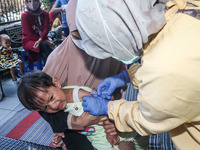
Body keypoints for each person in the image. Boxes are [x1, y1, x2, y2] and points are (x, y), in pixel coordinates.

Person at [77, 0, 200, 150]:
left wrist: (109, 107)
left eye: (110, 49)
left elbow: (149, 117)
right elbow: (162, 54)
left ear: (119, 37)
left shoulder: (164, 70)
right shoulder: (178, 12)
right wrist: (126, 76)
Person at [39, 0, 127, 149]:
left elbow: (119, 89)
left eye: (92, 33)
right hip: (74, 121)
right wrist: (73, 123)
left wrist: (111, 118)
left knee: (126, 141)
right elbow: (40, 103)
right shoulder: (58, 58)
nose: (88, 42)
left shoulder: (113, 48)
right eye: (79, 35)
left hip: (108, 113)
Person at [17, 71, 149, 150]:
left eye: (51, 98)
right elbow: (62, 122)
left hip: (114, 132)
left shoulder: (79, 95)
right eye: (45, 107)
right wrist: (60, 134)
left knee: (127, 146)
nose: (52, 106)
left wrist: (111, 132)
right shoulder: (58, 108)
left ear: (56, 83)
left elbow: (104, 111)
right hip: (97, 139)